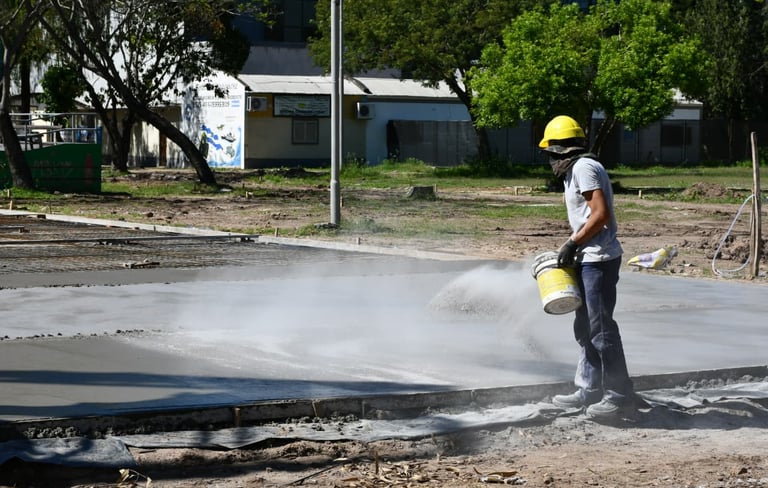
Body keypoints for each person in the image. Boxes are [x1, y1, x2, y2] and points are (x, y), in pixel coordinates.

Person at [538, 115, 634, 420]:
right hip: (587, 257)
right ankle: (589, 389)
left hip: (599, 259)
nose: (550, 161)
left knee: (601, 329)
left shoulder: (584, 168)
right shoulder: (574, 171)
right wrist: (574, 247)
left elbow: (600, 214)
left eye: (551, 153)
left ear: (561, 149)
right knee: (585, 328)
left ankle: (619, 397)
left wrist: (572, 242)